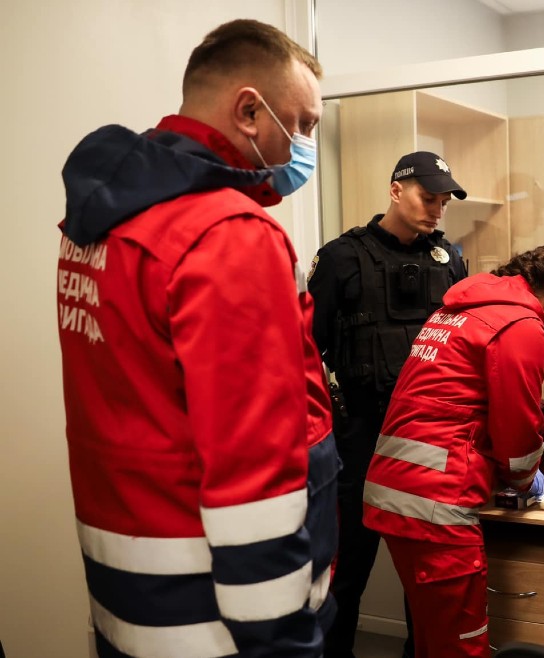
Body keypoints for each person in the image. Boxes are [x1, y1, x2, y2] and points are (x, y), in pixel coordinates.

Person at [56, 19, 337, 657]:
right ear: (248, 110)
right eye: (303, 123)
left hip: (130, 595)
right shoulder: (228, 235)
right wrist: (284, 641)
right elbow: (253, 472)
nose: (306, 142)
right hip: (222, 617)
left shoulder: (99, 220)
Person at [362, 245, 544, 658]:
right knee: (463, 645)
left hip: (393, 487)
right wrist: (526, 479)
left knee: (432, 638)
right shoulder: (519, 323)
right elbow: (516, 428)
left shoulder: (458, 310)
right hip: (438, 500)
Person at [309, 151, 469, 658]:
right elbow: (305, 350)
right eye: (428, 197)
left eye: (444, 201)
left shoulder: (451, 261)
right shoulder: (341, 259)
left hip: (428, 440)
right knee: (346, 571)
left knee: (424, 576)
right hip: (358, 436)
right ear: (396, 190)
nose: (437, 210)